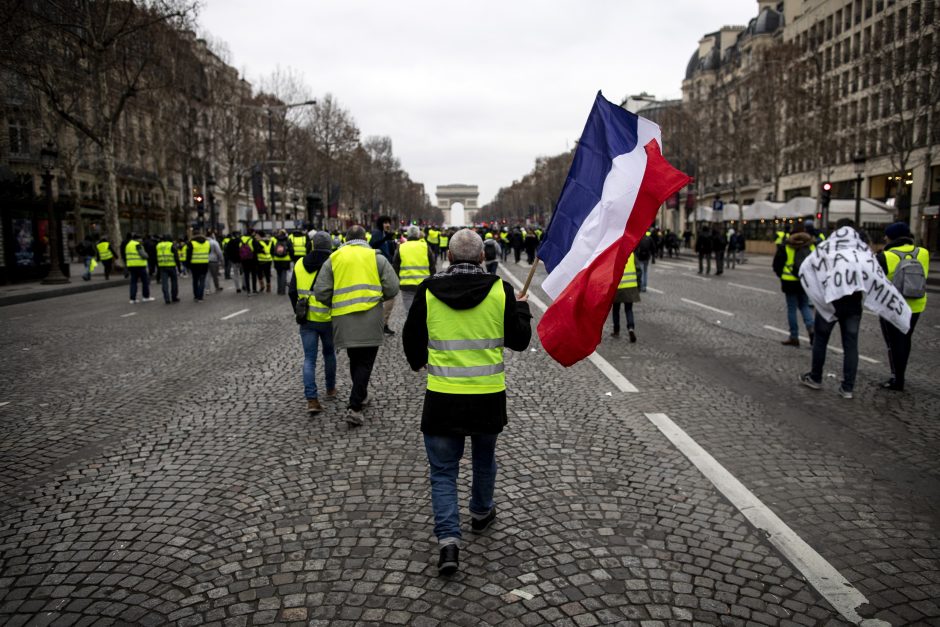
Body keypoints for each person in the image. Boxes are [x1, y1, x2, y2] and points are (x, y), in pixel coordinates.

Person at [402, 228, 532, 576]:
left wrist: (419, 362)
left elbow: (411, 338)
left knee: (443, 472)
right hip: (487, 396)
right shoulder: (501, 290)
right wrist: (522, 310)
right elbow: (519, 342)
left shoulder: (428, 290)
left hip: (443, 397)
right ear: (481, 257)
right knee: (484, 458)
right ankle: (480, 512)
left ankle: (448, 543)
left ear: (447, 257)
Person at [799, 220, 911, 399]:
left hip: (830, 302)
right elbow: (877, 276)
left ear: (836, 232)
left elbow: (808, 268)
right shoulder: (862, 252)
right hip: (853, 306)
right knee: (851, 345)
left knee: (821, 340)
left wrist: (818, 298)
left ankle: (816, 377)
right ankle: (848, 388)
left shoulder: (827, 250)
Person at [313, 225, 399, 427]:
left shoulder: (333, 259)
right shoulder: (375, 257)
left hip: (343, 318)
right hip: (371, 316)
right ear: (365, 238)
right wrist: (378, 298)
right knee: (366, 362)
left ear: (345, 238)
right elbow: (393, 287)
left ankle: (361, 396)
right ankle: (355, 407)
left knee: (355, 358)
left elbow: (321, 292)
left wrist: (337, 302)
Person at [876, 221, 928, 392]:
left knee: (894, 342)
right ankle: (900, 374)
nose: (884, 237)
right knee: (906, 339)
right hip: (916, 305)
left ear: (891, 237)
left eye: (886, 235)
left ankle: (897, 378)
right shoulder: (923, 253)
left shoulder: (886, 256)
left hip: (893, 307)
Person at [289, 231, 337, 414]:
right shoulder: (334, 263)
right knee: (329, 354)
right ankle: (331, 389)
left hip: (307, 320)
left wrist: (298, 310)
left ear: (312, 244)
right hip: (328, 318)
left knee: (309, 359)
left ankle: (311, 400)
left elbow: (292, 291)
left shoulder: (300, 263)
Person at [773, 225, 815, 346]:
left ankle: (794, 337)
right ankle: (811, 329)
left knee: (792, 309)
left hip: (789, 282)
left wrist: (781, 275)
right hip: (805, 281)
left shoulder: (786, 246)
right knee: (805, 306)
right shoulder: (811, 246)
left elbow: (777, 265)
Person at [393, 225, 435, 313]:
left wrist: (398, 280)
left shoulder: (401, 247)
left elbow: (395, 266)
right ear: (418, 235)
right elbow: (432, 266)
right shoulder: (425, 247)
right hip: (423, 285)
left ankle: (410, 326)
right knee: (422, 312)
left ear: (407, 235)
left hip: (406, 285)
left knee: (409, 312)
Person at [371, 216, 399, 334]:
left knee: (389, 296)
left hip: (387, 265)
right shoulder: (378, 233)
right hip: (380, 267)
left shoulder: (385, 234)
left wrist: (392, 242)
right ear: (380, 224)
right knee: (390, 295)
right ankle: (382, 323)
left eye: (389, 222)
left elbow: (389, 250)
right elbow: (372, 245)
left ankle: (383, 323)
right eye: (385, 222)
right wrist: (385, 239)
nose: (388, 224)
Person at [610, 252, 641, 342]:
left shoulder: (614, 254)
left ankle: (616, 330)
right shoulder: (631, 254)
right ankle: (631, 328)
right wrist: (638, 285)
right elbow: (639, 269)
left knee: (616, 309)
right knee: (628, 309)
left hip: (617, 287)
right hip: (630, 286)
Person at [124, 233, 154, 303]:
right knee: (145, 281)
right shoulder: (137, 245)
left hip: (131, 265)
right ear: (137, 239)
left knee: (133, 282)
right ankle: (146, 297)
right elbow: (143, 255)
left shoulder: (128, 245)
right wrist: (147, 255)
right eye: (140, 239)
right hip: (140, 265)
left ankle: (132, 299)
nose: (141, 240)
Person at [186, 230, 210, 301]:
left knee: (195, 280)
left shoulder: (191, 243)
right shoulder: (207, 243)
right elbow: (209, 251)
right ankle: (200, 296)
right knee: (202, 280)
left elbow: (188, 255)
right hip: (204, 263)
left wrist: (188, 265)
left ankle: (196, 296)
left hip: (195, 264)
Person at [155, 234, 180, 304]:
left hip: (162, 266)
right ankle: (174, 297)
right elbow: (176, 257)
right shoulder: (171, 245)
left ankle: (166, 298)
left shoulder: (158, 245)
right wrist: (179, 268)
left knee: (164, 283)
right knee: (174, 282)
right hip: (171, 266)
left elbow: (156, 255)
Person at [271, 229, 293, 295]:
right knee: (284, 274)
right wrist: (291, 258)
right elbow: (291, 250)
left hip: (277, 260)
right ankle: (283, 291)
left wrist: (273, 257)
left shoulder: (274, 240)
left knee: (278, 275)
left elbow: (271, 250)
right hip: (286, 260)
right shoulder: (288, 240)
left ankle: (279, 290)